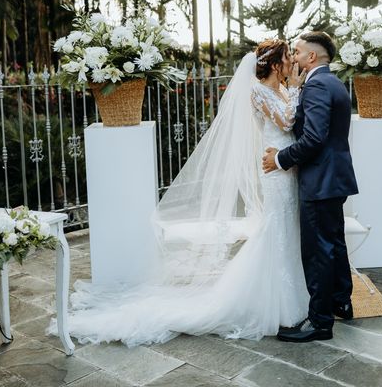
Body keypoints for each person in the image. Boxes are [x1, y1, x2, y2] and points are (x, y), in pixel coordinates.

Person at [51, 39, 311, 346]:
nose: (292, 62)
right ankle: (279, 307)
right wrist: (295, 87)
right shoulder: (259, 91)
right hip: (275, 172)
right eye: (287, 58)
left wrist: (290, 89)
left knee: (285, 229)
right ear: (275, 64)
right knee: (276, 230)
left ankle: (295, 297)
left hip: (285, 167)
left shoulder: (279, 89)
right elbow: (286, 120)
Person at [262, 32, 359, 343]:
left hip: (320, 178)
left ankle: (319, 322)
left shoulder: (316, 84)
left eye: (298, 51)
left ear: (312, 58)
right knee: (334, 242)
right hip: (335, 176)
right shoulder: (334, 82)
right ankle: (341, 301)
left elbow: (314, 139)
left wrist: (279, 158)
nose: (294, 57)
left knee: (318, 252)